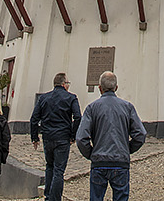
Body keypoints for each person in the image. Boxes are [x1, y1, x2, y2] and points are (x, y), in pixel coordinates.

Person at [75, 71, 146, 201]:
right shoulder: (127, 107)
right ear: (116, 87)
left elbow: (81, 138)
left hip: (99, 162)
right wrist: (127, 149)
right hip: (120, 162)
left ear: (99, 88)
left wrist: (91, 154)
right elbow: (140, 134)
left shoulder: (91, 108)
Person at [30, 72, 82, 201]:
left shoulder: (44, 98)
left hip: (48, 136)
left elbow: (34, 119)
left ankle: (48, 196)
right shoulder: (71, 98)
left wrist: (35, 137)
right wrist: (73, 135)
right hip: (63, 137)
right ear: (64, 84)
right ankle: (55, 198)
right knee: (59, 170)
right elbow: (78, 117)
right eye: (68, 83)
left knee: (49, 166)